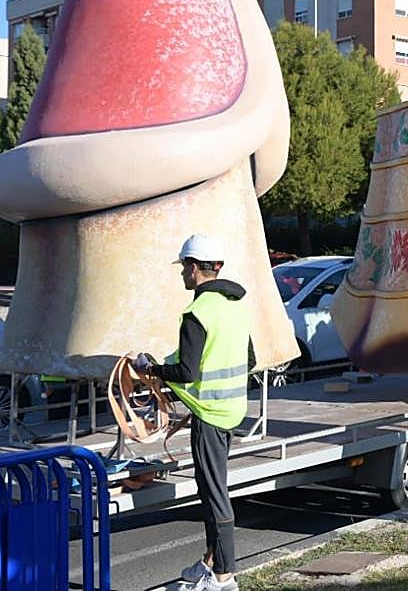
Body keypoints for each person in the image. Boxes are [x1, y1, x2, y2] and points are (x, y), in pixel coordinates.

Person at [134, 233, 250, 591]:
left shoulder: (196, 312)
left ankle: (225, 577)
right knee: (215, 490)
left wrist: (152, 370)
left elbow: (188, 372)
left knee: (214, 495)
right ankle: (211, 562)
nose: (183, 273)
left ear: (196, 267)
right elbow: (250, 359)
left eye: (185, 266)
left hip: (211, 417)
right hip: (232, 410)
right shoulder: (234, 306)